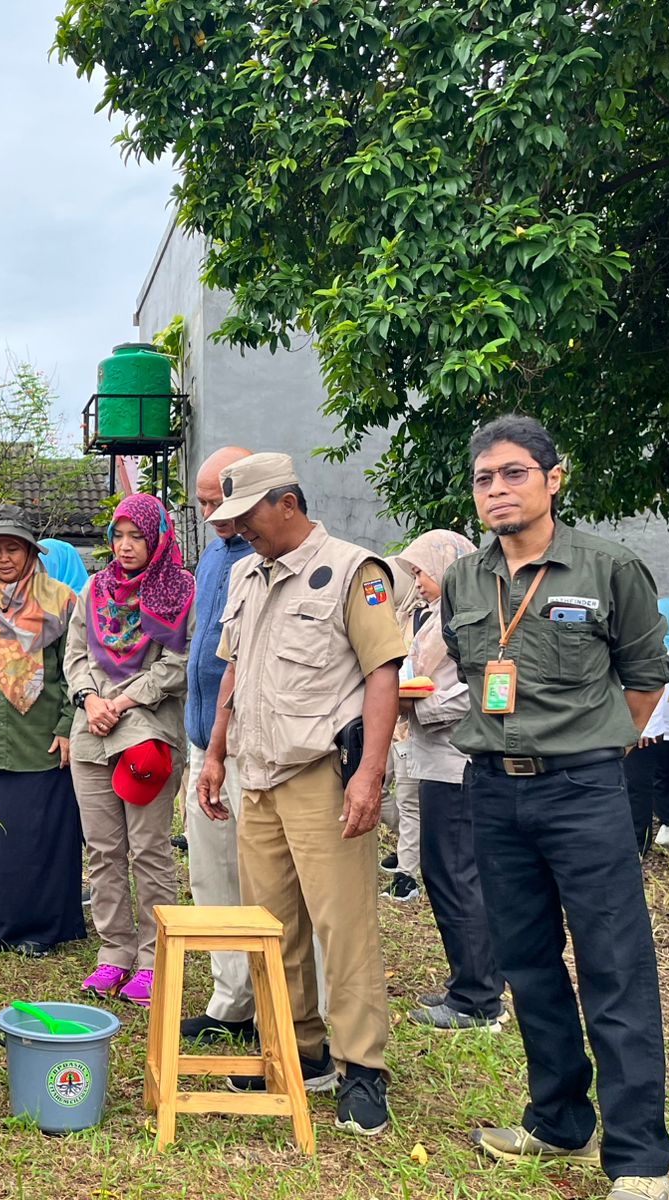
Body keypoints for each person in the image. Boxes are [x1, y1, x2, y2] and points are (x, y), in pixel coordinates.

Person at [441, 415, 669, 1199]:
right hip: (494, 789)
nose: (497, 490)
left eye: (513, 473)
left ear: (552, 478)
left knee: (615, 965)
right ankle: (557, 1122)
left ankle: (641, 1158)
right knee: (529, 963)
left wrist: (591, 747)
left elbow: (645, 677)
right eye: (483, 479)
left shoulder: (608, 568)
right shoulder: (464, 580)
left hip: (585, 791)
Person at [197, 451, 405, 1137]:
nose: (239, 529)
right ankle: (298, 1047)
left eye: (247, 514)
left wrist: (370, 774)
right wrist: (217, 753)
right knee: (270, 926)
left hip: (320, 773)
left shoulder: (355, 571)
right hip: (256, 775)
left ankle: (361, 1066)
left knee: (341, 926)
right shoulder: (246, 576)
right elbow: (233, 670)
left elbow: (383, 673)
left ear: (286, 501)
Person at [65, 493, 192, 1005]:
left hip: (146, 734)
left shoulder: (178, 591)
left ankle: (153, 957)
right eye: (118, 535)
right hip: (90, 733)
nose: (125, 546)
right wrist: (91, 698)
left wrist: (119, 700)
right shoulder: (94, 590)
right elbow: (74, 655)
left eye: (136, 536)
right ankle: (114, 952)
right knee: (101, 850)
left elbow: (176, 665)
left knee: (149, 850)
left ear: (157, 537)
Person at [0, 504, 84, 956]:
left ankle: (41, 930)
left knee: (38, 834)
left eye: (13, 548)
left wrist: (68, 727)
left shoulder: (62, 601)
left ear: (31, 553)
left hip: (40, 734)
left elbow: (75, 671)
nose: (3, 558)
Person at [391, 529, 503, 1031]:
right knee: (443, 874)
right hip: (433, 757)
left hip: (457, 760)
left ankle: (478, 997)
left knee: (456, 877)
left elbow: (476, 691)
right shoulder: (435, 616)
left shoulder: (471, 617)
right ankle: (469, 983)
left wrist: (423, 705)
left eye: (423, 571)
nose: (418, 581)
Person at [178, 445, 257, 1042]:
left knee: (263, 880)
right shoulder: (212, 555)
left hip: (251, 748)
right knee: (211, 878)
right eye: (203, 502)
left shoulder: (269, 555)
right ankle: (231, 1000)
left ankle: (285, 1003)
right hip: (202, 745)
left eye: (220, 500)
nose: (211, 513)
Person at [378, 556, 424, 902]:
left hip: (412, 721)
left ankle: (408, 872)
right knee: (376, 787)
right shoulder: (398, 616)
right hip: (389, 720)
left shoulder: (428, 619)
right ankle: (414, 844)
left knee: (409, 799)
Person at [627, 598, 669, 854]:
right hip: (652, 722)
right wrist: (644, 726)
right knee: (646, 779)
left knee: (648, 778)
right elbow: (647, 678)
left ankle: (642, 841)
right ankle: (639, 843)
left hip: (651, 721)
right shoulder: (658, 610)